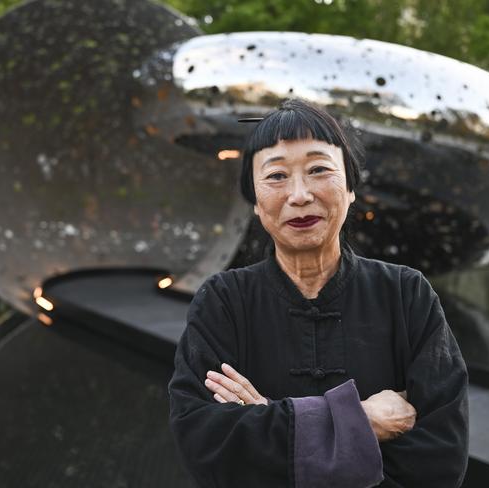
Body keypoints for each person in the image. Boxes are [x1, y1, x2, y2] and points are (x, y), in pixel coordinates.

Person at [167, 98, 469, 488]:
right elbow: (205, 445)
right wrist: (360, 421)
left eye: (319, 169)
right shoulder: (224, 301)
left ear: (351, 190)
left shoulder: (405, 294)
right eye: (276, 176)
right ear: (256, 205)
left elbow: (440, 459)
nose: (299, 194)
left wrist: (268, 419)